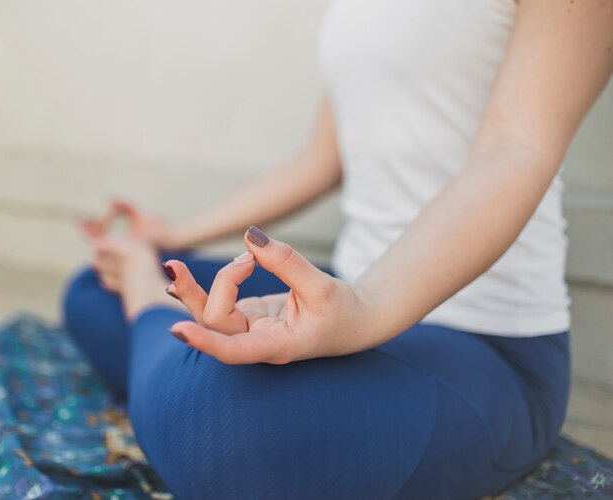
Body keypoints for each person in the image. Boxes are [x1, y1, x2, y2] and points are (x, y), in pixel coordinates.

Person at [63, 1, 613, 498]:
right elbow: (322, 159)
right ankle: (156, 334)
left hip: (486, 341)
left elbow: (516, 148)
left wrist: (366, 308)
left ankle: (150, 319)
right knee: (93, 290)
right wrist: (173, 235)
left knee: (224, 430)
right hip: (350, 289)